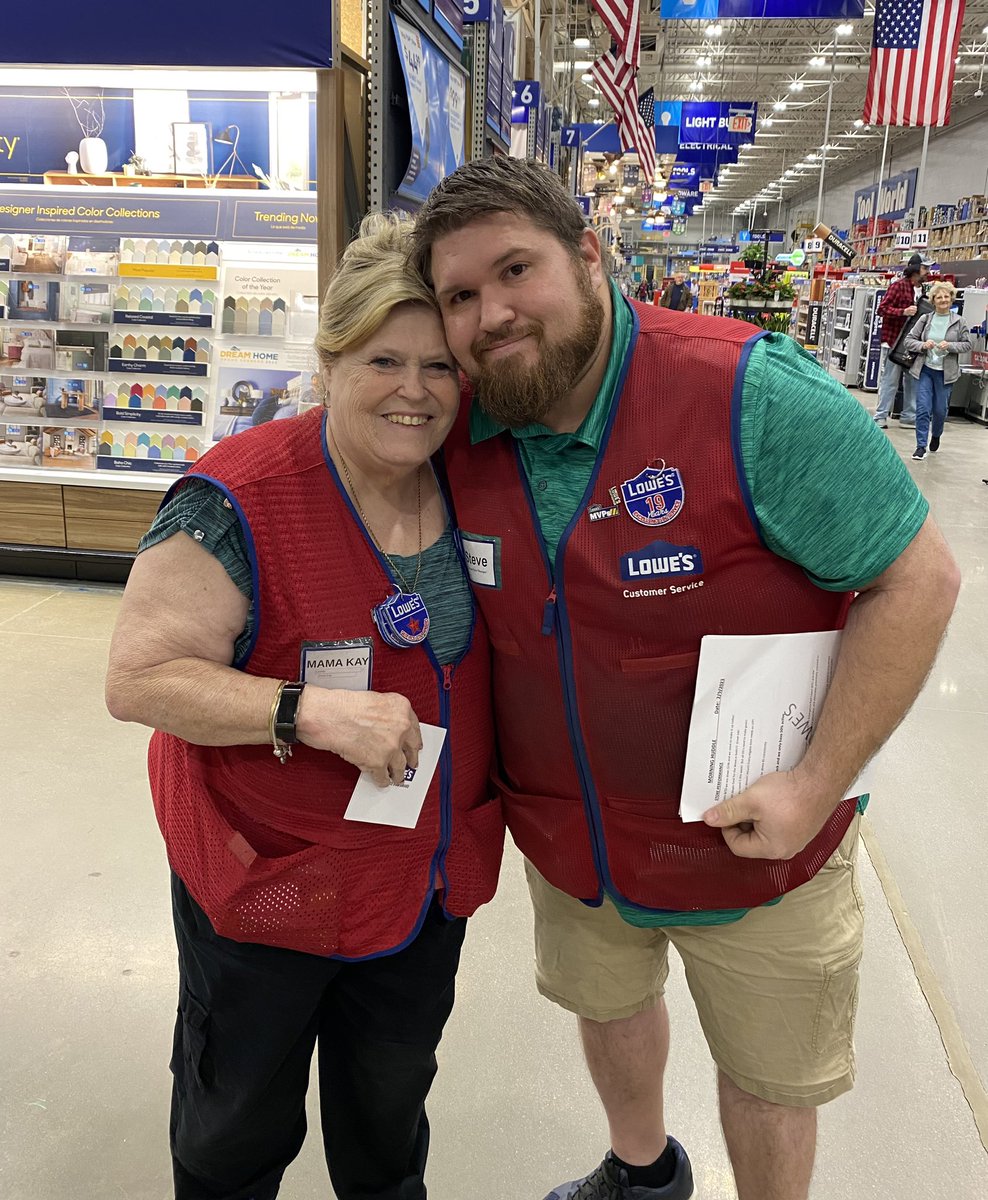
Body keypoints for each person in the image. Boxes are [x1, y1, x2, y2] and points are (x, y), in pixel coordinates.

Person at [411, 157, 960, 1200]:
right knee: (608, 1008)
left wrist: (815, 781)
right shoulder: (460, 429)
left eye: (515, 269)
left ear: (589, 255)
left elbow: (917, 580)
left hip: (756, 844)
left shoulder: (749, 393)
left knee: (766, 1074)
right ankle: (640, 1171)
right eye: (459, 296)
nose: (490, 315)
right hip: (574, 841)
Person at [104, 213, 504, 1200]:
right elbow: (140, 678)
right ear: (328, 362)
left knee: (387, 1116)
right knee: (237, 1124)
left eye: (439, 368)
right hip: (267, 891)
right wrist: (307, 713)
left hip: (419, 888)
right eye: (383, 360)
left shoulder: (478, 485)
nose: (414, 391)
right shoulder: (236, 498)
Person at [905, 280, 972, 460]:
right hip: (925, 370)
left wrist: (949, 345)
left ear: (951, 299)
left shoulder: (959, 322)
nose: (943, 300)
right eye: (939, 297)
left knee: (940, 411)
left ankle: (936, 434)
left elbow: (967, 345)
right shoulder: (925, 319)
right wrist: (922, 345)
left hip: (945, 373)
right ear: (933, 300)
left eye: (946, 296)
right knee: (922, 408)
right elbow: (908, 340)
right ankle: (920, 446)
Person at [873, 260, 928, 429]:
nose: (927, 271)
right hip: (894, 341)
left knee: (912, 379)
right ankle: (880, 415)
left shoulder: (923, 290)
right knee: (890, 379)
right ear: (915, 268)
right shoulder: (898, 286)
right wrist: (902, 312)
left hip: (913, 344)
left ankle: (909, 416)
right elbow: (881, 309)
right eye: (925, 267)